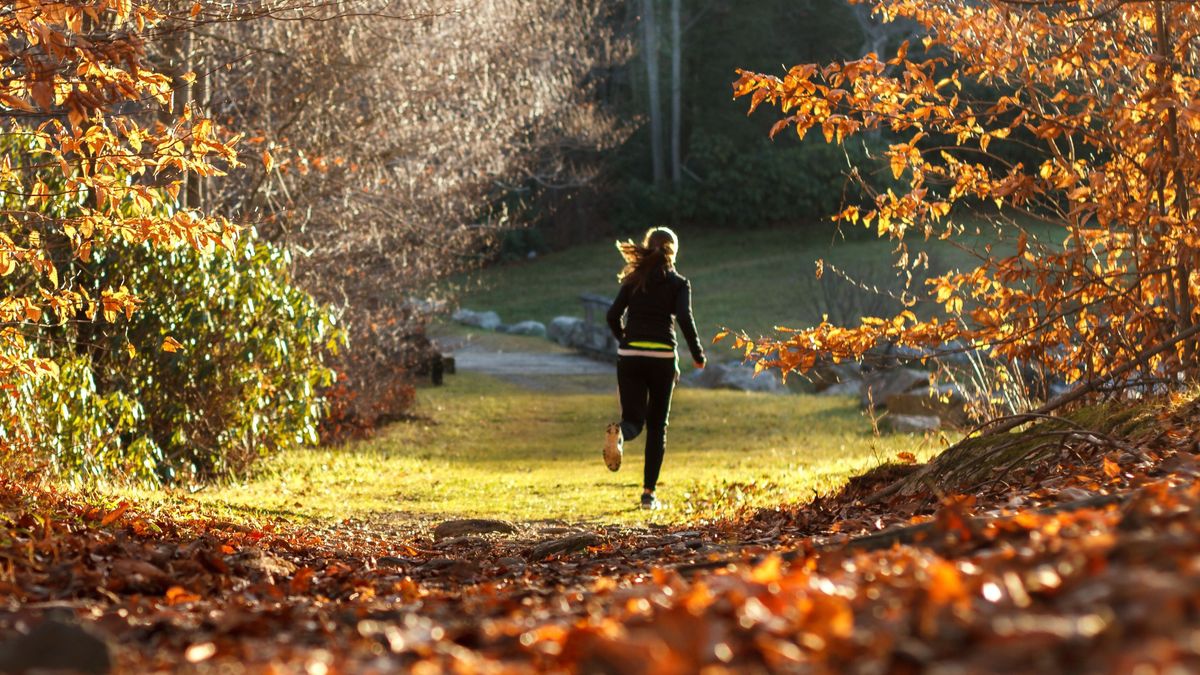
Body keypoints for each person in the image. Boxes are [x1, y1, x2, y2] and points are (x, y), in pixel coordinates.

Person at [603, 227, 705, 510]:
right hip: (661, 358)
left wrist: (624, 339)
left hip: (630, 355)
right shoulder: (678, 283)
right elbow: (684, 318)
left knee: (634, 420)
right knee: (657, 426)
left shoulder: (634, 279)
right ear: (674, 252)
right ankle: (648, 495)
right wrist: (697, 355)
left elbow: (612, 315)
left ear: (648, 248)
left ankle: (620, 433)